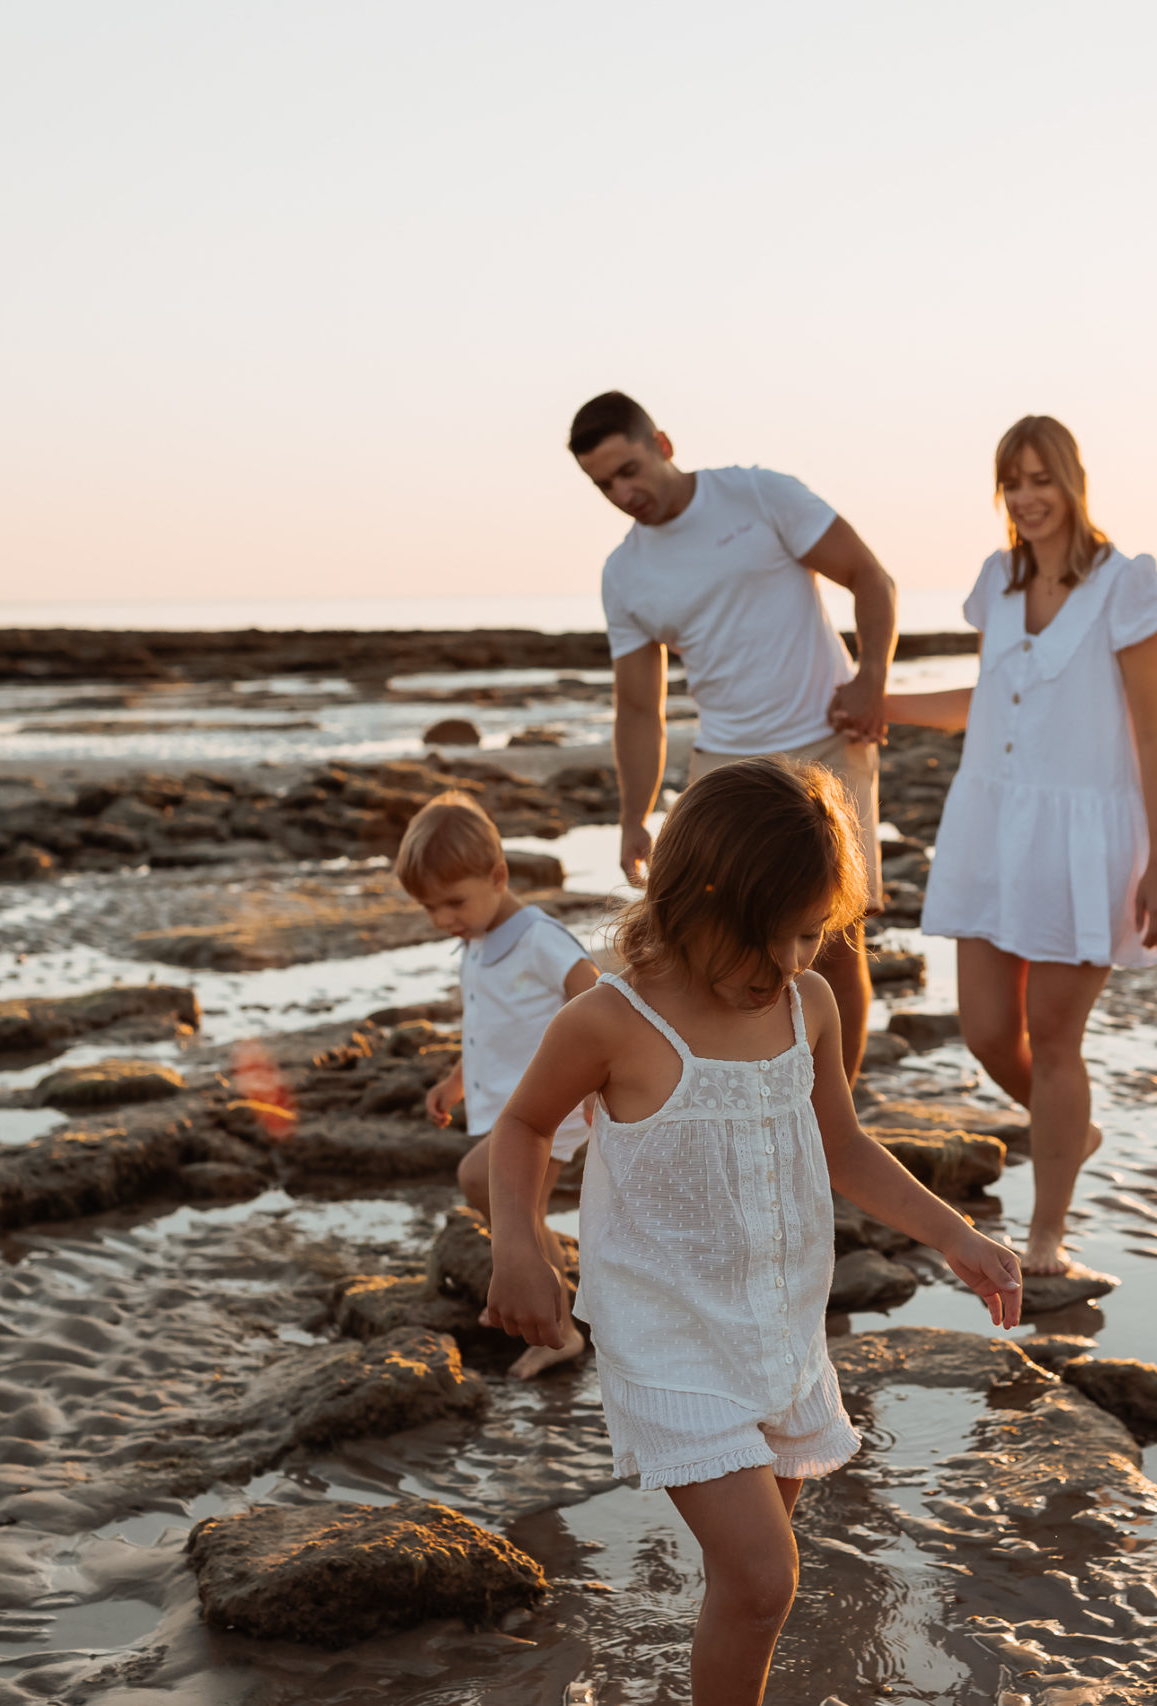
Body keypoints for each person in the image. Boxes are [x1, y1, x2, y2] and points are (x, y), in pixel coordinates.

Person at [481, 758, 1023, 1706]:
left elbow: (843, 1147)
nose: (791, 964)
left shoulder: (806, 1007)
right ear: (697, 905)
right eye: (771, 941)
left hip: (780, 1330)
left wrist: (955, 1236)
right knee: (765, 1579)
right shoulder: (614, 1020)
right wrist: (519, 1245)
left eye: (812, 938)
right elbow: (523, 1128)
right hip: (669, 1338)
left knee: (750, 1587)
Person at [883, 417, 1157, 1277]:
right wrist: (878, 703)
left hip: (1082, 836)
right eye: (1012, 481)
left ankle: (1047, 1234)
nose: (1027, 497)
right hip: (991, 824)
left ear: (1074, 481)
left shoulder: (1127, 584)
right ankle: (1070, 1128)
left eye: (1041, 478)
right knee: (984, 1033)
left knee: (1053, 1039)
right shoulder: (997, 580)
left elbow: (1156, 735)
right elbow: (991, 701)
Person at [569, 389, 898, 1080]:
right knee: (719, 941)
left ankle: (831, 1117)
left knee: (833, 942)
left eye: (630, 470)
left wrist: (870, 680)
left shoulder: (759, 496)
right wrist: (635, 815)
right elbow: (637, 706)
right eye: (604, 485)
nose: (624, 492)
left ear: (662, 443)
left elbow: (871, 576)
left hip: (826, 742)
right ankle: (753, 1089)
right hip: (724, 766)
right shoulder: (625, 573)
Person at [395, 790, 600, 1378]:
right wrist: (456, 1082)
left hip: (549, 1107)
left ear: (498, 875)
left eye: (453, 902)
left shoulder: (537, 937)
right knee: (525, 1215)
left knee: (477, 1180)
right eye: (429, 909)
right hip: (511, 1111)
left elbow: (591, 993)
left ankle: (549, 1312)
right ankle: (549, 1318)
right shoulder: (477, 945)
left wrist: (592, 1079)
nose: (442, 920)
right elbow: (484, 1027)